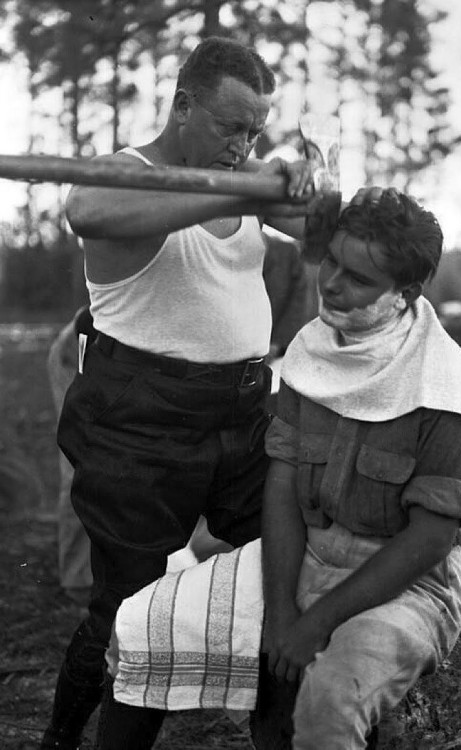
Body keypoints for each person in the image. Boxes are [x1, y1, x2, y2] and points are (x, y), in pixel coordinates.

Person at [41, 36, 317, 750]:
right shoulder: (123, 173)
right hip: (141, 421)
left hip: (247, 416)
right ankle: (65, 738)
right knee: (127, 608)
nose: (243, 144)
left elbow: (319, 222)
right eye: (231, 126)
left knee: (296, 560)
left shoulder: (245, 175)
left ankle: (277, 728)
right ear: (183, 105)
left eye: (256, 129)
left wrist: (303, 177)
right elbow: (88, 212)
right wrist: (238, 187)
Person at [251, 189, 461, 749]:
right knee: (172, 630)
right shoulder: (311, 350)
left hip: (408, 587)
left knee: (331, 696)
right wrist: (284, 611)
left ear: (404, 293)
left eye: (358, 278)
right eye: (331, 260)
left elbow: (430, 540)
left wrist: (315, 624)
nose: (332, 282)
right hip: (308, 554)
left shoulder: (447, 391)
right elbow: (283, 486)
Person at [46, 306, 97, 606]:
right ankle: (76, 579)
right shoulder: (98, 319)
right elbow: (83, 353)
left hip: (94, 360)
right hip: (73, 360)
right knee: (79, 463)